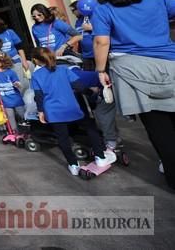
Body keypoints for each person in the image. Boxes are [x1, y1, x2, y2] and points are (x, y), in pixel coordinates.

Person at [92, 0, 175, 190]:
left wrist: (101, 70)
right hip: (171, 63)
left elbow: (101, 42)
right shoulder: (158, 1)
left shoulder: (103, 9)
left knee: (159, 129)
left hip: (134, 71)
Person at [30, 48, 116, 176]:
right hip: (72, 107)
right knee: (90, 127)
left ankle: (73, 165)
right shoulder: (64, 69)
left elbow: (38, 96)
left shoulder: (36, 75)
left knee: (63, 138)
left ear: (35, 60)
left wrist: (41, 111)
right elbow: (79, 86)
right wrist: (92, 92)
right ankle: (100, 157)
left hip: (53, 112)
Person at [0, 16, 30, 85]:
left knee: (19, 83)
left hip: (15, 62)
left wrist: (24, 61)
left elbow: (19, 47)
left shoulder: (9, 32)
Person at [0, 53, 25, 133]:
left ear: (0, 63)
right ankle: (14, 131)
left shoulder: (11, 72)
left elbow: (17, 82)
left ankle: (25, 129)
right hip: (5, 100)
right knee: (9, 115)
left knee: (21, 114)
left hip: (16, 98)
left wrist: (17, 84)